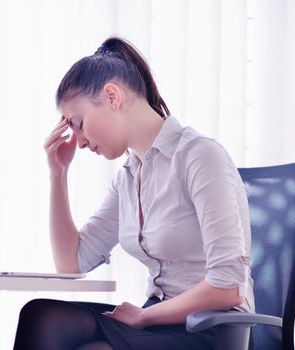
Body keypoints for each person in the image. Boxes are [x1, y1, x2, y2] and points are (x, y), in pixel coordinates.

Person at [13, 36, 254, 350]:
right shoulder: (129, 176)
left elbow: (229, 288)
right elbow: (71, 266)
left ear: (112, 96)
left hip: (212, 331)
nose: (80, 141)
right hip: (159, 322)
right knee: (42, 315)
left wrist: (144, 318)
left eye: (79, 123)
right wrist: (58, 174)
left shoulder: (199, 156)